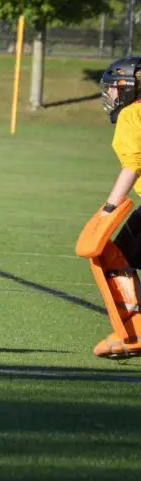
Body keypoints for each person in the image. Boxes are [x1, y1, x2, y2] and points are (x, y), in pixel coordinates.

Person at [87, 57, 141, 358]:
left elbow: (134, 162)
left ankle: (134, 331)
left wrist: (110, 207)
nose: (108, 96)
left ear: (127, 89)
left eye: (112, 90)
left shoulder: (132, 114)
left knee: (116, 257)